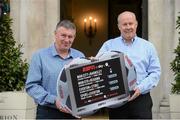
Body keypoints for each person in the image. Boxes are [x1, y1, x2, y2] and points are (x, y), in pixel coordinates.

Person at [96, 11, 161, 119]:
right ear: (119, 27)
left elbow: (155, 72)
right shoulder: (108, 45)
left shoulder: (148, 47)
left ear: (136, 24)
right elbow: (97, 68)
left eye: (130, 23)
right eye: (124, 24)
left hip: (141, 100)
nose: (128, 27)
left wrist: (140, 88)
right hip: (116, 100)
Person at [25, 20, 85, 119]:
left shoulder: (80, 56)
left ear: (74, 37)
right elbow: (32, 86)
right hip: (47, 113)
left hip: (73, 114)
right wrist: (54, 100)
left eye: (70, 37)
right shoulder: (40, 56)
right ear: (55, 34)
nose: (67, 40)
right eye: (63, 35)